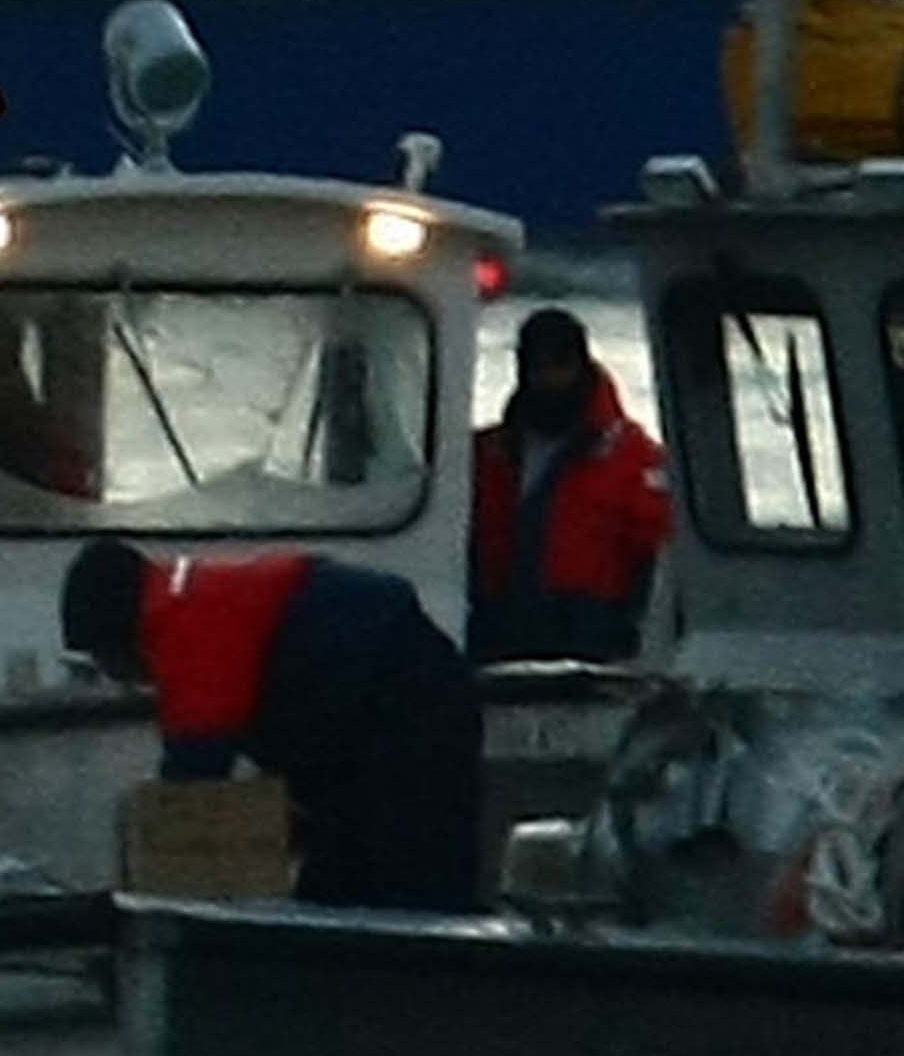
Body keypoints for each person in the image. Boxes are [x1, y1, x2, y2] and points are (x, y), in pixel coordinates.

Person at [61, 539, 484, 912]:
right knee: (345, 878)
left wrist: (152, 878)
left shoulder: (184, 626)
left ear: (118, 639)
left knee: (409, 877)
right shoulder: (194, 596)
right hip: (386, 703)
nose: (118, 681)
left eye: (105, 662)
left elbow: (192, 778)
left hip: (408, 706)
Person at [470, 306, 671, 665]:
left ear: (580, 367)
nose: (546, 380)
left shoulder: (637, 459)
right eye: (536, 368)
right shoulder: (486, 453)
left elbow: (657, 559)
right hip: (499, 631)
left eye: (557, 366)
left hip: (593, 636)